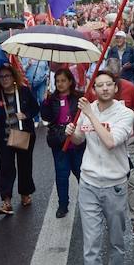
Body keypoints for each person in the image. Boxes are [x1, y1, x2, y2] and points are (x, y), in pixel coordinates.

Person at [69, 70, 134, 265]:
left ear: (115, 89)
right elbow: (79, 140)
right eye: (100, 85)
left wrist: (90, 115)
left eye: (109, 85)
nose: (105, 89)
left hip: (115, 185)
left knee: (116, 239)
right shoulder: (89, 109)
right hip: (88, 183)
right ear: (93, 88)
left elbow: (110, 141)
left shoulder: (124, 114)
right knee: (91, 242)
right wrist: (72, 132)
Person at [105, 56, 134, 239]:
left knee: (130, 178)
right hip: (104, 142)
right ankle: (110, 217)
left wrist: (126, 121)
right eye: (109, 78)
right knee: (107, 181)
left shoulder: (129, 88)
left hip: (126, 141)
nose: (111, 85)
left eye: (115, 78)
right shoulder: (97, 89)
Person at [0, 63, 38, 215]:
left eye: (7, 76)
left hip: (23, 135)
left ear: (13, 77)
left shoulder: (23, 91)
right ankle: (6, 201)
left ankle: (25, 194)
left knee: (25, 166)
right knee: (6, 168)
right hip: (4, 138)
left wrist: (25, 115)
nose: (4, 79)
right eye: (1, 77)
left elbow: (35, 108)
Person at [40, 68, 85, 219]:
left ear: (70, 81)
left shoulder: (79, 97)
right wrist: (45, 102)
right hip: (59, 141)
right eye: (57, 81)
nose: (60, 84)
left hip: (77, 142)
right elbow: (46, 117)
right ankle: (63, 205)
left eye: (63, 80)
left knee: (81, 173)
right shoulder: (51, 99)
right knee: (61, 174)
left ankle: (88, 203)